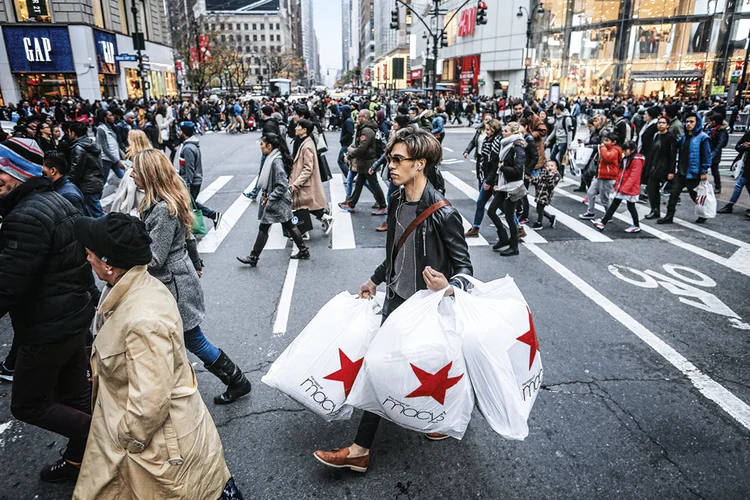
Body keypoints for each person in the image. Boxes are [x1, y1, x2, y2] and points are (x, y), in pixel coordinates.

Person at [313, 128, 473, 473]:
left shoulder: (444, 214)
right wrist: (374, 278)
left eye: (398, 160)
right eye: (390, 158)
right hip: (396, 302)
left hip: (424, 310)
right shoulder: (399, 202)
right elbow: (395, 254)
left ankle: (433, 420)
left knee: (420, 367)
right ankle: (362, 449)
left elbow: (466, 273)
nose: (391, 166)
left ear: (420, 164)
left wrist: (448, 285)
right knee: (380, 365)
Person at [71, 213, 243, 499]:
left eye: (90, 253)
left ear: (109, 264)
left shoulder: (142, 319)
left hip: (160, 449)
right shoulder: (128, 289)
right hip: (157, 438)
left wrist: (126, 440)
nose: (87, 258)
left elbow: (149, 402)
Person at [0, 138, 94, 482]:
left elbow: (6, 286)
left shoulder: (25, 217)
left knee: (27, 404)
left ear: (19, 176)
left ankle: (107, 441)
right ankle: (78, 461)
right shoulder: (59, 200)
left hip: (47, 328)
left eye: (1, 176)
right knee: (75, 395)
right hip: (73, 320)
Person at [131, 149, 252, 404]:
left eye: (135, 170)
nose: (131, 174)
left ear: (148, 175)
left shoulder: (163, 209)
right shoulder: (163, 200)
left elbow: (154, 258)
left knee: (193, 338)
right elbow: (187, 236)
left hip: (173, 285)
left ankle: (237, 381)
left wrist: (124, 249)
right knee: (174, 336)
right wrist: (196, 261)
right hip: (175, 278)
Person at [237, 134, 309, 265]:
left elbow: (281, 185)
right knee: (288, 225)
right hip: (278, 201)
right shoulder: (273, 158)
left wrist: (270, 198)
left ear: (269, 146)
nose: (261, 147)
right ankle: (303, 250)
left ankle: (254, 257)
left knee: (265, 227)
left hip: (277, 202)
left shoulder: (275, 161)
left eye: (262, 145)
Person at [657, 112, 711, 224]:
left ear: (697, 123)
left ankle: (703, 213)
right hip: (682, 171)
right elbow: (676, 145)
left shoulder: (703, 138)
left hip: (693, 172)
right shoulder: (684, 137)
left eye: (691, 122)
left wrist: (704, 170)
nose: (688, 124)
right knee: (673, 194)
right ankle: (669, 216)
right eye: (687, 122)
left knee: (695, 195)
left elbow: (706, 155)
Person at [486, 122, 528, 256]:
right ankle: (504, 238)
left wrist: (502, 167)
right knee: (491, 211)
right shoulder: (507, 145)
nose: (503, 132)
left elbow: (517, 170)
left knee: (510, 217)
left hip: (512, 186)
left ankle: (514, 247)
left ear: (513, 133)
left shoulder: (517, 148)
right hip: (504, 185)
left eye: (505, 131)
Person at [288, 118, 334, 235]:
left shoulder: (307, 145)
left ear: (304, 130)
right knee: (304, 207)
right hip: (303, 182)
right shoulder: (304, 141)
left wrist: (296, 183)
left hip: (305, 183)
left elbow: (308, 168)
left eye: (298, 126)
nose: (295, 128)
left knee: (304, 206)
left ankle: (323, 219)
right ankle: (305, 230)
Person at [338, 110, 388, 214]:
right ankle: (351, 204)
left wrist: (350, 156)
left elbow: (362, 148)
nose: (357, 119)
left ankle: (383, 206)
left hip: (368, 162)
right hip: (365, 162)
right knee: (359, 184)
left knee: (374, 184)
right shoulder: (365, 129)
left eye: (359, 117)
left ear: (365, 117)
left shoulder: (367, 130)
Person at [178, 121, 223, 228]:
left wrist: (187, 185)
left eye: (180, 130)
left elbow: (190, 169)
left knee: (187, 205)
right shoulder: (190, 146)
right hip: (193, 181)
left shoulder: (188, 148)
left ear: (184, 132)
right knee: (189, 204)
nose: (178, 132)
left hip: (192, 182)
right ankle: (211, 215)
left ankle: (212, 215)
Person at [592, 140, 644, 233]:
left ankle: (636, 225)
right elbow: (621, 174)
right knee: (617, 205)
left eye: (626, 150)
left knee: (630, 206)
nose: (624, 152)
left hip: (629, 188)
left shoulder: (636, 161)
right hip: (624, 187)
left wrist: (623, 188)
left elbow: (633, 176)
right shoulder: (627, 159)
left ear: (632, 150)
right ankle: (603, 222)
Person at [465, 119, 503, 238]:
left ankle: (518, 228)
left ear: (493, 129)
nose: (485, 132)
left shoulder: (497, 142)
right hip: (487, 176)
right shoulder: (489, 140)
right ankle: (475, 228)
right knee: (480, 203)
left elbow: (494, 164)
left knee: (503, 206)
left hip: (493, 178)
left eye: (487, 129)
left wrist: (488, 181)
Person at [579, 131, 622, 220]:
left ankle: (608, 216)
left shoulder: (615, 150)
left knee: (604, 199)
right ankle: (590, 212)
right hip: (600, 176)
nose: (604, 142)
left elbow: (607, 157)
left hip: (608, 178)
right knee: (591, 193)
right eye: (604, 140)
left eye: (607, 141)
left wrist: (602, 147)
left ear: (614, 142)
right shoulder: (606, 148)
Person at [109, 129, 151, 216]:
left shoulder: (132, 154)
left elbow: (128, 166)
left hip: (132, 182)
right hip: (145, 185)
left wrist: (124, 164)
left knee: (125, 202)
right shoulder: (150, 152)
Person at [643, 116, 678, 219]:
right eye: (659, 123)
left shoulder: (670, 137)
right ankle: (654, 209)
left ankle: (655, 210)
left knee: (653, 188)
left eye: (663, 123)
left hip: (662, 167)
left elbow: (672, 155)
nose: (660, 124)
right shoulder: (656, 136)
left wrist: (671, 171)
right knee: (651, 189)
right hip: (653, 165)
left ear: (668, 125)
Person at [69, 121, 105, 217]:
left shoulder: (79, 148)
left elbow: (76, 169)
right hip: (96, 181)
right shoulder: (90, 144)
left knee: (97, 213)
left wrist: (69, 182)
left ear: (73, 133)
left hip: (88, 185)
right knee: (91, 212)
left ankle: (109, 230)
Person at [244, 106, 280, 200]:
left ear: (264, 113)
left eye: (261, 112)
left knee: (263, 172)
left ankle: (256, 192)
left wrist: (267, 147)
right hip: (271, 150)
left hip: (269, 151)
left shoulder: (268, 124)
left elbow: (271, 138)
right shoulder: (272, 122)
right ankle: (256, 192)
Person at [42, 151, 86, 215]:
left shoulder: (68, 195)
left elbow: (78, 222)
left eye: (42, 168)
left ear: (53, 171)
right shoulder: (60, 188)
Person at [718, 131, 750, 214]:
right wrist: (744, 146)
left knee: (740, 184)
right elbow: (738, 146)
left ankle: (730, 205)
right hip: (746, 165)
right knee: (740, 184)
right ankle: (729, 205)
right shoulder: (748, 134)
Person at [95, 109, 126, 185]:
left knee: (124, 177)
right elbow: (105, 148)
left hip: (114, 158)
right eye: (110, 115)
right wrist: (117, 161)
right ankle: (96, 196)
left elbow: (115, 143)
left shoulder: (112, 127)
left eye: (112, 115)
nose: (113, 117)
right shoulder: (101, 129)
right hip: (105, 160)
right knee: (103, 181)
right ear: (105, 118)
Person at [463, 113, 494, 188]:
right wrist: (467, 151)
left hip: (489, 158)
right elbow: (473, 142)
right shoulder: (479, 130)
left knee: (487, 175)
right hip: (479, 156)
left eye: (489, 120)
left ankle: (487, 193)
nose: (487, 121)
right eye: (486, 119)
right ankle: (482, 191)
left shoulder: (493, 132)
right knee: (479, 175)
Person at [530, 160, 560, 229]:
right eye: (547, 166)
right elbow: (538, 180)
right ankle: (551, 217)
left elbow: (550, 185)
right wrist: (531, 180)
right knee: (538, 208)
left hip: (546, 194)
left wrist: (549, 175)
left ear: (556, 168)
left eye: (552, 166)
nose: (549, 167)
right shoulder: (543, 172)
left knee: (540, 208)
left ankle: (539, 222)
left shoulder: (556, 176)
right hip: (539, 192)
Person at [545, 103, 574, 177]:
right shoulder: (557, 118)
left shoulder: (567, 118)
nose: (554, 111)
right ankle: (558, 170)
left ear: (558, 109)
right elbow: (555, 130)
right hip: (558, 141)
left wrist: (569, 145)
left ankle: (561, 175)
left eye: (555, 109)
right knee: (552, 156)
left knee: (562, 159)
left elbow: (569, 132)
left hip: (563, 142)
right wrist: (548, 140)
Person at [705, 112, 728, 195]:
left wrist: (713, 154)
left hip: (714, 153)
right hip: (707, 150)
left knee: (714, 170)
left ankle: (718, 186)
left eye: (713, 120)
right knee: (702, 169)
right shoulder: (710, 128)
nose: (712, 122)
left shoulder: (722, 131)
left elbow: (720, 144)